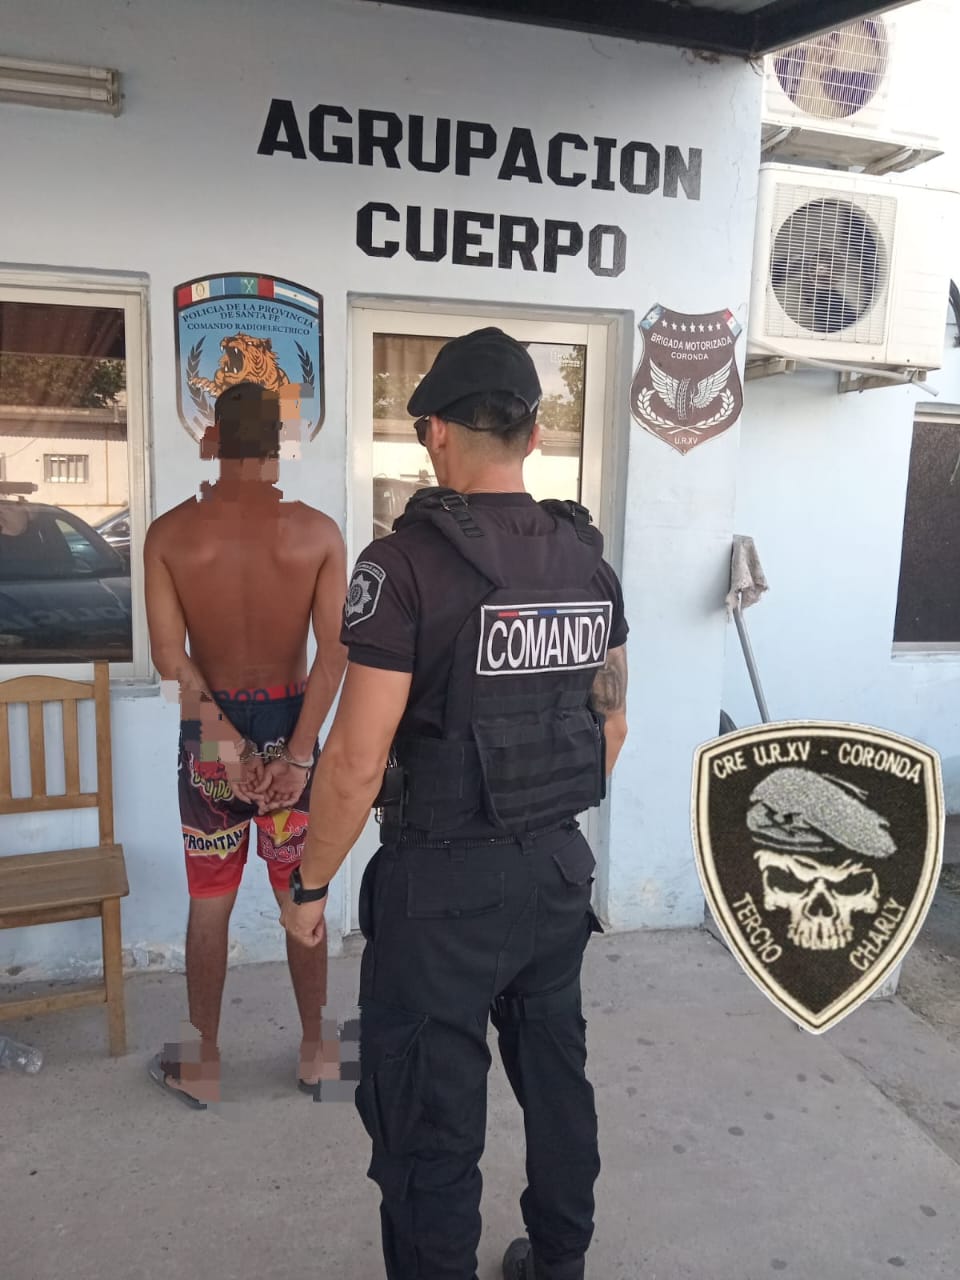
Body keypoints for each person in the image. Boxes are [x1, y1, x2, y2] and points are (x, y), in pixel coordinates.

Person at [281, 328, 629, 1280]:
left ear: (434, 432)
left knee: (427, 1116)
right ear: (533, 437)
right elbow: (612, 726)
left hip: (439, 887)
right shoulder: (588, 562)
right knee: (556, 1081)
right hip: (555, 872)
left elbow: (356, 763)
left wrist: (309, 887)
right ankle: (559, 1259)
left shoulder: (401, 566)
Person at [144, 381, 347, 1108]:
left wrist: (228, 747)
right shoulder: (318, 534)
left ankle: (200, 1063)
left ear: (211, 442)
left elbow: (170, 662)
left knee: (209, 900)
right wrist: (296, 754)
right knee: (301, 890)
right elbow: (334, 656)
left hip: (209, 735)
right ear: (282, 448)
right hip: (293, 727)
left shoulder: (169, 535)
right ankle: (319, 1055)